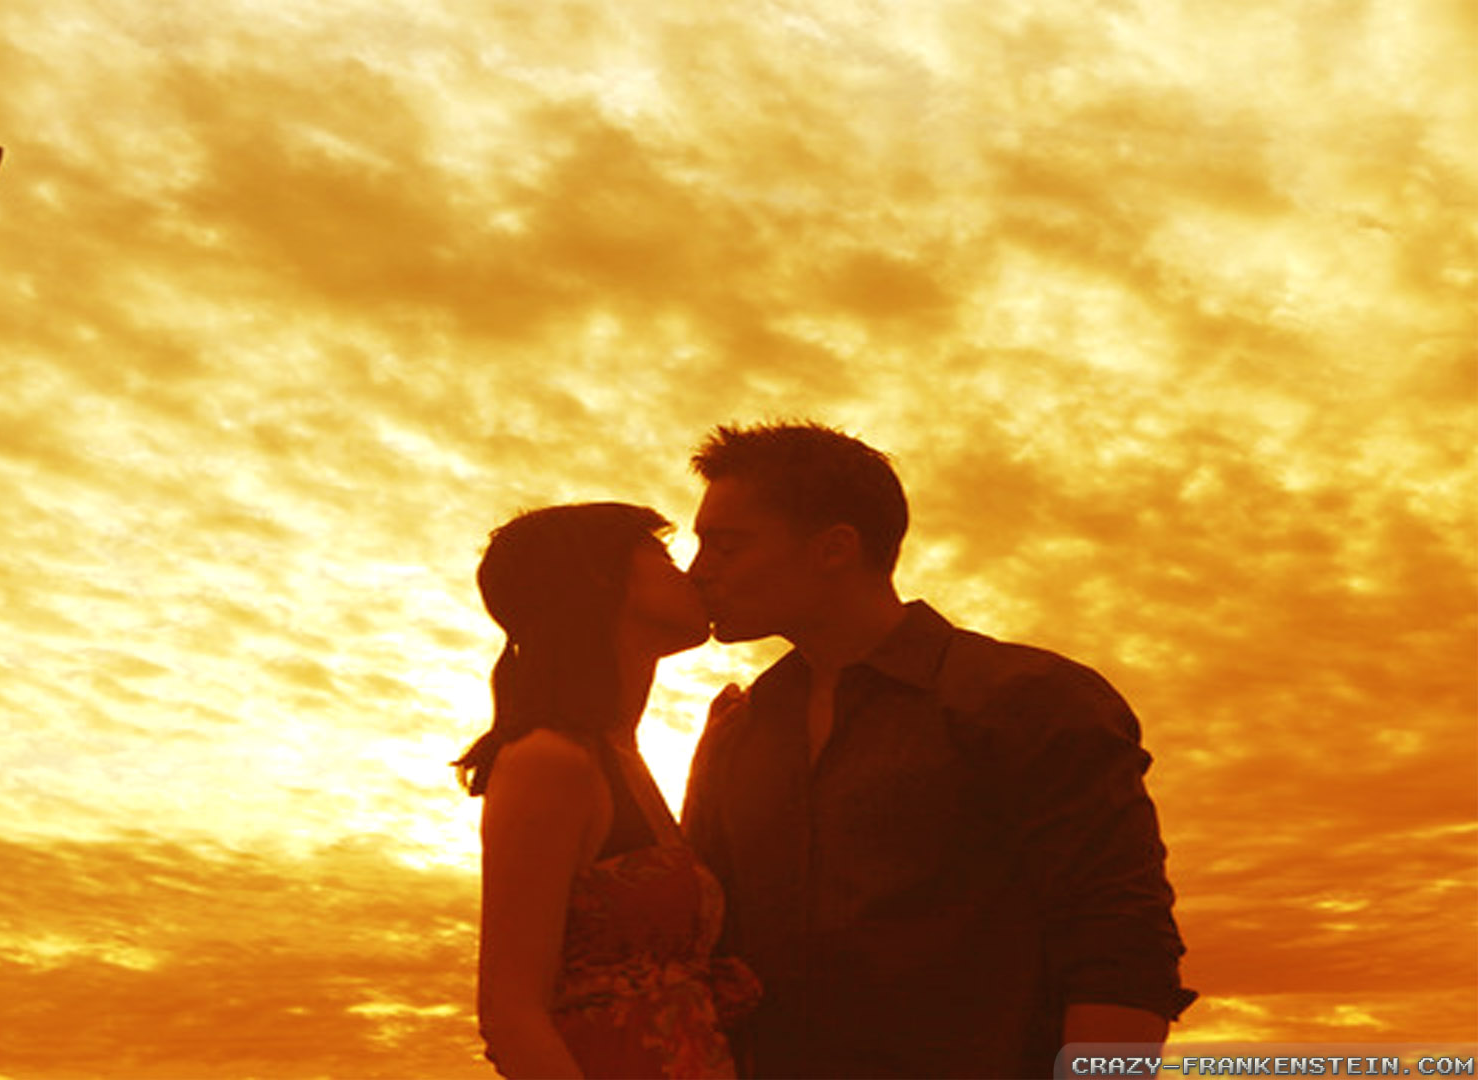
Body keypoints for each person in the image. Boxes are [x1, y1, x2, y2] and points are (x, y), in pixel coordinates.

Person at [679, 422, 1195, 1079]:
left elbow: (1120, 948)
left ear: (834, 548)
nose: (699, 574)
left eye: (726, 546)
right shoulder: (740, 734)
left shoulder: (1029, 699)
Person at [456, 503, 761, 1079]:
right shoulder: (548, 760)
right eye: (665, 557)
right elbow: (510, 1014)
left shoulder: (616, 754)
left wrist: (706, 773)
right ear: (600, 578)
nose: (693, 574)